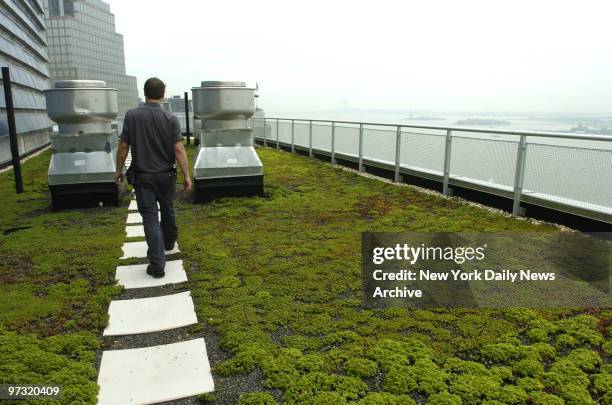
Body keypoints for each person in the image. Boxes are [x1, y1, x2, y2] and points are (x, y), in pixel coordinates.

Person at [115, 77, 192, 278]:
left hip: (143, 177)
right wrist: (187, 176)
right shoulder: (170, 118)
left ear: (145, 92)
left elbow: (123, 146)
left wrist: (119, 170)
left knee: (150, 217)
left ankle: (157, 264)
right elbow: (179, 149)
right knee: (168, 209)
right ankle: (168, 243)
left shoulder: (131, 116)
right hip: (166, 176)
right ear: (163, 93)